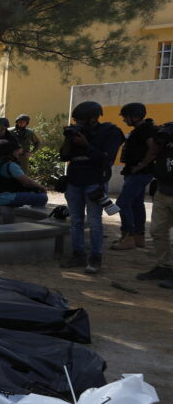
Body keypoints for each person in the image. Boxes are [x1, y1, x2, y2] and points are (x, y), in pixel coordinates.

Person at [59, 100, 125, 274]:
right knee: (75, 221)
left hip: (95, 182)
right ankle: (78, 254)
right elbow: (64, 156)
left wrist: (86, 145)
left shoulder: (110, 132)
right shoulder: (76, 133)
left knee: (95, 222)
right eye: (77, 120)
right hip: (74, 181)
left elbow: (106, 159)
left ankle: (95, 257)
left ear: (94, 118)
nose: (79, 123)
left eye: (82, 119)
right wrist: (68, 140)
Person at [110, 102, 159, 251]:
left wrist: (141, 165)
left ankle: (128, 236)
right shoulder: (141, 130)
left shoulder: (145, 130)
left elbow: (154, 149)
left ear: (135, 116)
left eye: (126, 117)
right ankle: (138, 237)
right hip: (136, 172)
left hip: (140, 173)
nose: (124, 120)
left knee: (122, 203)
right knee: (137, 204)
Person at [137, 123, 173, 286]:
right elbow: (153, 152)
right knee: (157, 231)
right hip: (163, 190)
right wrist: (160, 140)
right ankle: (164, 266)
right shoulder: (167, 135)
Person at [0, 138, 48, 208]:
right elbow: (27, 182)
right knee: (42, 197)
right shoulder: (10, 165)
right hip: (3, 198)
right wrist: (42, 187)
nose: (19, 153)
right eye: (17, 151)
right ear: (12, 152)